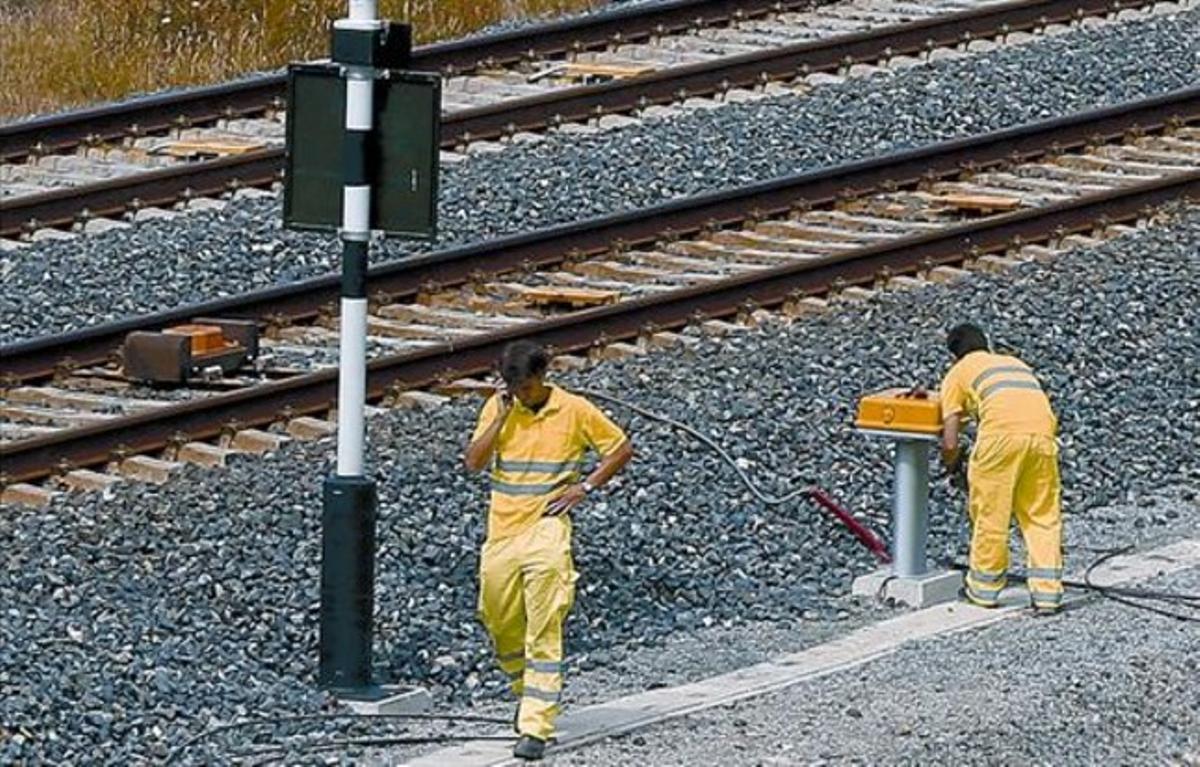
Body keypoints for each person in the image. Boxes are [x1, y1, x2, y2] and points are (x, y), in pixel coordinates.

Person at [464, 341, 634, 761]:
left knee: (544, 623)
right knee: (498, 618)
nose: (519, 393)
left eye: (524, 386)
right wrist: (501, 417)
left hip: (546, 531)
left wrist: (586, 487)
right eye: (512, 387)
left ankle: (536, 724)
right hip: (502, 532)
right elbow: (473, 462)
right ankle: (526, 696)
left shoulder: (574, 410)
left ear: (541, 377)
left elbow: (620, 448)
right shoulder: (498, 407)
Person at [939, 323, 1064, 614]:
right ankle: (1048, 594)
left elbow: (950, 434)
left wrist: (951, 461)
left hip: (999, 441)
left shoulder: (958, 372)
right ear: (986, 344)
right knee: (1042, 515)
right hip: (1043, 438)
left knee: (991, 516)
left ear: (954, 355)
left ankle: (983, 590)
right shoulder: (1013, 363)